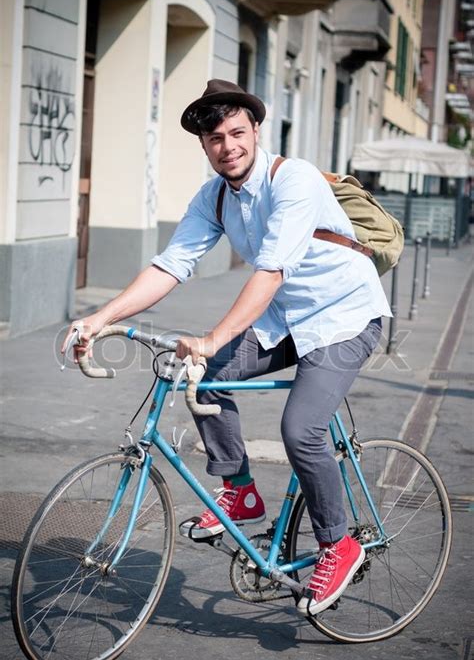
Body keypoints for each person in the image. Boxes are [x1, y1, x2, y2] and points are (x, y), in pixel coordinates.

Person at [62, 79, 391, 615]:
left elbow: (271, 271)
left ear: (255, 130)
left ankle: (339, 543)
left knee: (300, 430)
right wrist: (100, 318)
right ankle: (241, 491)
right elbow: (171, 265)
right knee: (203, 371)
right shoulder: (214, 196)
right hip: (283, 322)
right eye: (215, 138)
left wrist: (215, 335)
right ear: (204, 145)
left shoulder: (296, 181)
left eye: (237, 132)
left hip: (345, 317)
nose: (228, 146)